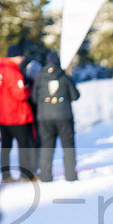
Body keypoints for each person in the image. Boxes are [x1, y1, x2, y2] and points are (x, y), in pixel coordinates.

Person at [33, 51, 81, 182]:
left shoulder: (40, 78)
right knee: (68, 146)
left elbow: (34, 98)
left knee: (46, 147)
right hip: (64, 116)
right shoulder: (64, 77)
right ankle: (71, 175)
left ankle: (46, 176)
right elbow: (75, 96)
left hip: (45, 118)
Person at [0, 43, 37, 182]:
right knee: (25, 144)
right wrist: (29, 89)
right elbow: (20, 94)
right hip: (16, 115)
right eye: (21, 56)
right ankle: (26, 174)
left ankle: (6, 175)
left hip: (1, 115)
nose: (22, 59)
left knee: (6, 146)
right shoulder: (12, 71)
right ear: (16, 56)